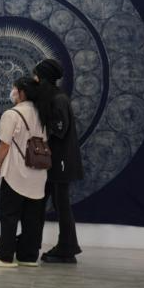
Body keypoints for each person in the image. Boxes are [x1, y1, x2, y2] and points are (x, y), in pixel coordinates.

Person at [0, 77, 51, 268]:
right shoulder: (43, 114)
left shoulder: (12, 114)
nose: (12, 92)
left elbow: (4, 144)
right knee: (32, 218)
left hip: (15, 172)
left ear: (21, 92)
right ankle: (28, 256)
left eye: (14, 88)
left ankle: (4, 256)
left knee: (9, 215)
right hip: (38, 174)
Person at [33, 58, 84, 263]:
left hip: (62, 160)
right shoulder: (53, 97)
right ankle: (36, 243)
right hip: (57, 160)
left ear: (44, 78)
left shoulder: (59, 99)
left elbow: (60, 129)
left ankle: (67, 248)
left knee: (61, 204)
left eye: (37, 76)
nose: (35, 79)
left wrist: (40, 134)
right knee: (49, 202)